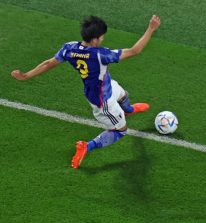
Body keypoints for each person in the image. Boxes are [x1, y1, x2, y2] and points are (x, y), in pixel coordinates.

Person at [11, 15, 161, 168]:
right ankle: (86, 146)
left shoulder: (69, 49)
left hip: (104, 86)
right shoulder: (101, 55)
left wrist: (26, 75)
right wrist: (151, 29)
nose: (103, 40)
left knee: (124, 95)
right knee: (120, 131)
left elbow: (49, 63)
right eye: (102, 37)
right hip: (104, 102)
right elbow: (135, 51)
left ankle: (128, 110)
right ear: (95, 39)